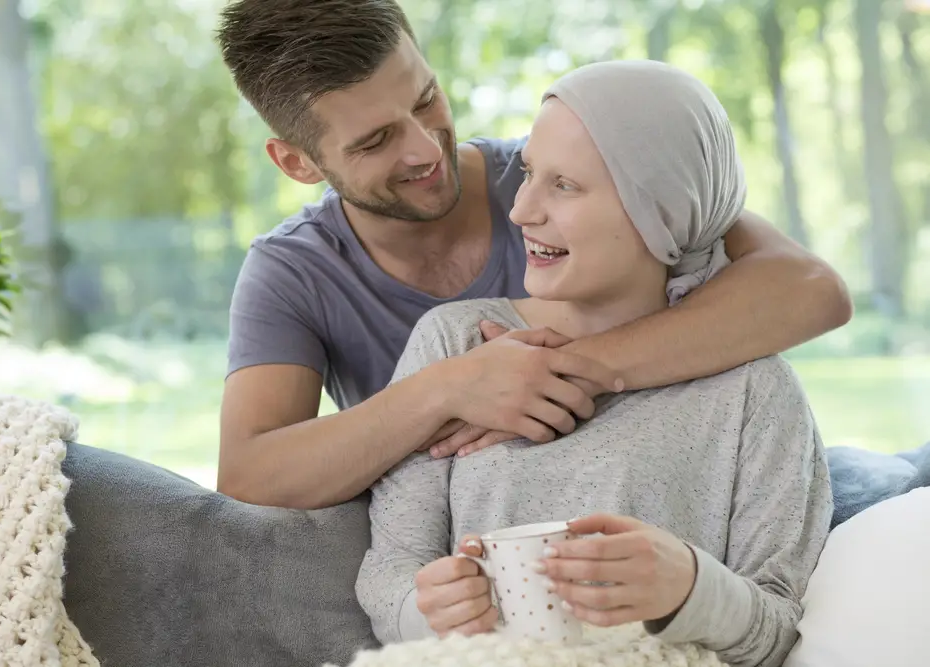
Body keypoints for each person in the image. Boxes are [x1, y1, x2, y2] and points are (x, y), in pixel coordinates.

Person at [214, 0, 851, 510]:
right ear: (297, 162)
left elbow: (810, 289)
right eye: (377, 139)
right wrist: (448, 388)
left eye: (424, 99)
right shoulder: (293, 271)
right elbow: (248, 475)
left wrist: (569, 369)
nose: (425, 148)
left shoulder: (565, 170)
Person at [354, 60, 832, 667]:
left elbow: (775, 629)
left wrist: (690, 585)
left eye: (566, 185)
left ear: (661, 208)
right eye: (528, 174)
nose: (522, 210)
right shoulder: (457, 342)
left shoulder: (754, 391)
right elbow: (390, 569)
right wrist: (428, 612)